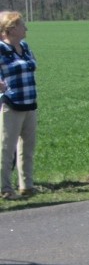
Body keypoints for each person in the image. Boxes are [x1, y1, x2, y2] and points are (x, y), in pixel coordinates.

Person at [0, 11, 38, 200]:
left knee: (27, 148)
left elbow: (33, 64)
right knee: (6, 149)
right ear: (11, 29)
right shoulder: (0, 49)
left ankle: (27, 185)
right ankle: (5, 188)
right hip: (11, 105)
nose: (26, 28)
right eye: (22, 25)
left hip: (29, 103)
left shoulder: (24, 46)